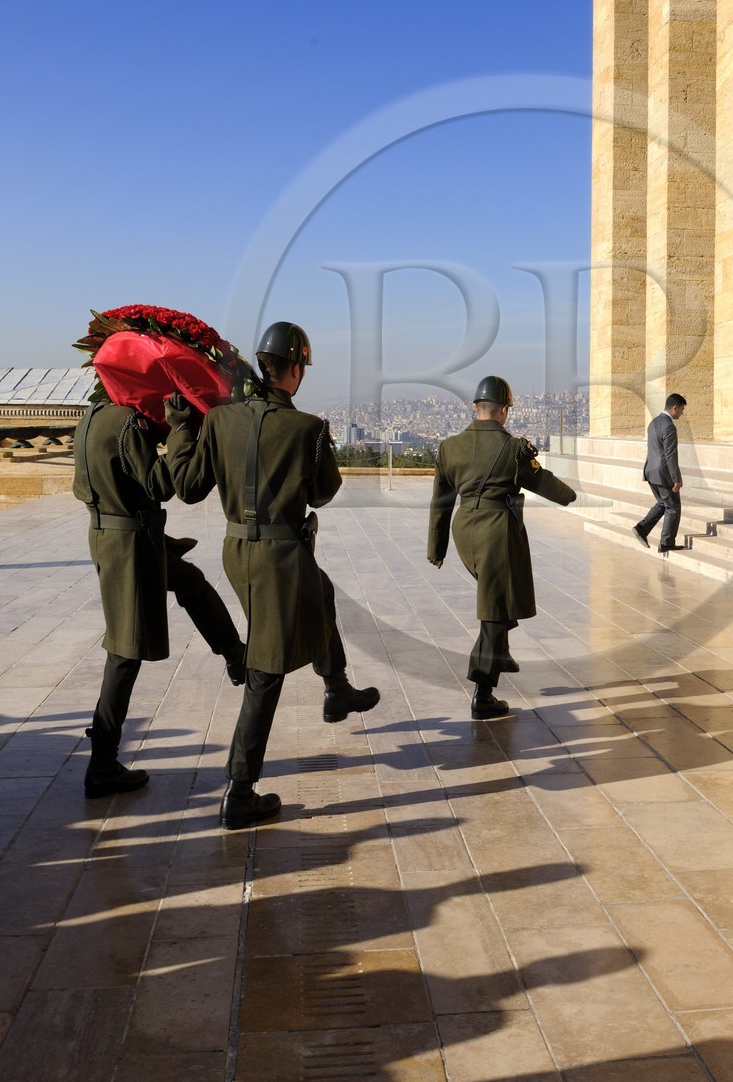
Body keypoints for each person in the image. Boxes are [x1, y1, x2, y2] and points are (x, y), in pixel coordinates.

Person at [164, 321, 380, 828]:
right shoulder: (308, 428)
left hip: (238, 550)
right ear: (296, 369)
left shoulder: (220, 420)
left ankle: (337, 687)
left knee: (321, 590)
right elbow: (322, 494)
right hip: (279, 557)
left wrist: (179, 429)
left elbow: (189, 488)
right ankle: (240, 791)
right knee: (266, 669)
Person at [73, 399, 247, 799]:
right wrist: (180, 429)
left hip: (115, 536)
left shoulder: (93, 416)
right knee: (125, 652)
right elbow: (161, 486)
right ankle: (102, 764)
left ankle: (235, 653)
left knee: (190, 582)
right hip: (129, 547)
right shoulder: (126, 423)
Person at [427, 375, 576, 719]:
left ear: (476, 407)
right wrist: (570, 496)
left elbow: (440, 501)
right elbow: (543, 482)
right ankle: (483, 693)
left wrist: (437, 547)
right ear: (504, 409)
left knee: (499, 592)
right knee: (494, 609)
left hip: (465, 531)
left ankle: (502, 652)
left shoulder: (449, 447)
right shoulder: (513, 448)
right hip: (497, 532)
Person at [633, 393, 687, 555]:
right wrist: (676, 478)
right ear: (675, 408)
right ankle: (666, 543)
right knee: (673, 507)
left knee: (663, 503)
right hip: (663, 474)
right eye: (682, 409)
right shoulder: (669, 426)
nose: (682, 413)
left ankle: (641, 528)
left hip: (651, 471)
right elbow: (670, 455)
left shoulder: (654, 422)